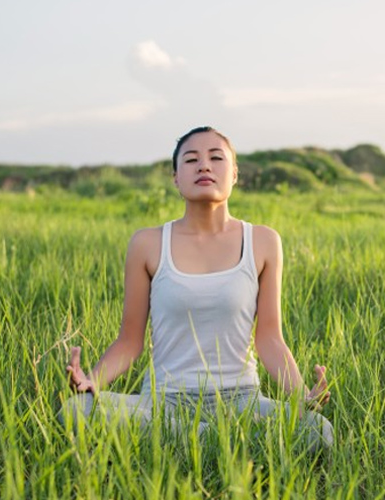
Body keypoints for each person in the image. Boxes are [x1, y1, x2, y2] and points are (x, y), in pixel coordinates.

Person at [60, 126, 333, 450]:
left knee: (319, 431)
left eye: (216, 158)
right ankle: (221, 442)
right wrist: (92, 380)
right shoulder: (147, 243)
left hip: (241, 401)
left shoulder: (263, 241)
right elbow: (129, 341)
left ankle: (188, 442)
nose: (204, 165)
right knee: (76, 412)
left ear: (234, 174)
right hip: (164, 401)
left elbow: (270, 339)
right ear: (176, 178)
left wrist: (302, 395)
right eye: (191, 160)